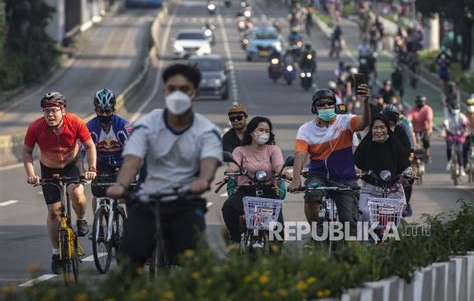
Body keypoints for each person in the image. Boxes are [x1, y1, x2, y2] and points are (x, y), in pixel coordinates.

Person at [106, 64, 222, 267]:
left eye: (184, 89)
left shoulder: (207, 130)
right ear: (164, 91)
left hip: (185, 201)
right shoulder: (146, 125)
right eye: (172, 88)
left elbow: (209, 163)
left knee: (196, 262)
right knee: (128, 258)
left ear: (195, 93)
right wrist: (121, 185)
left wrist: (203, 182)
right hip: (147, 200)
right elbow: (132, 161)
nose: (177, 94)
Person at [23, 92, 97, 274]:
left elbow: (89, 146)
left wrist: (92, 168)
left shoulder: (75, 122)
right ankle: (56, 253)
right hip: (49, 167)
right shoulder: (35, 127)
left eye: (54, 111)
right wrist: (31, 174)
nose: (50, 115)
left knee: (76, 194)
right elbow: (26, 153)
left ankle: (80, 219)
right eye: (46, 111)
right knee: (54, 212)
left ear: (63, 111)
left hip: (73, 163)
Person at [288, 86, 371, 237]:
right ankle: (316, 233)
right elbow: (300, 154)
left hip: (345, 178)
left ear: (334, 105)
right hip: (318, 176)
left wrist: (365, 102)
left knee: (349, 225)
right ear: (314, 108)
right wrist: (296, 179)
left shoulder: (346, 121)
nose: (326, 107)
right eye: (321, 104)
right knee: (312, 194)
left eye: (329, 103)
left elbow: (364, 123)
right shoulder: (305, 129)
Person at [222, 116, 285, 244]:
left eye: (267, 131)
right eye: (261, 130)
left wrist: (284, 174)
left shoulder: (274, 149)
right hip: (245, 191)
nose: (264, 134)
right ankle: (236, 240)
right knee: (228, 207)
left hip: (268, 192)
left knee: (277, 230)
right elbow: (233, 166)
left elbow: (279, 166)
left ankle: (276, 259)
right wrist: (231, 170)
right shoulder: (240, 150)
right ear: (251, 132)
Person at [354, 114, 411, 221]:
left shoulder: (395, 145)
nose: (379, 131)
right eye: (375, 128)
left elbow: (405, 164)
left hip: (393, 190)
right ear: (371, 130)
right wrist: (356, 171)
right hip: (369, 191)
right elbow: (356, 163)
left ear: (387, 129)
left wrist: (409, 173)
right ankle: (365, 237)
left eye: (382, 127)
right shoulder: (365, 146)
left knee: (397, 217)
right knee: (364, 213)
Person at [87, 89, 131, 174]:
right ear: (95, 111)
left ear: (113, 110)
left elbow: (132, 148)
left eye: (107, 111)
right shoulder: (90, 127)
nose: (104, 115)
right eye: (101, 111)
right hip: (102, 164)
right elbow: (81, 150)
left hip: (123, 162)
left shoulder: (123, 125)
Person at [442, 101, 470, 176]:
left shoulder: (462, 116)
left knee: (460, 151)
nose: (455, 110)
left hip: (460, 136)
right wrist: (443, 132)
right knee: (449, 148)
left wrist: (465, 132)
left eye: (456, 108)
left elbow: (465, 126)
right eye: (454, 108)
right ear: (451, 109)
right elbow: (445, 125)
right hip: (450, 135)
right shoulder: (448, 116)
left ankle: (461, 168)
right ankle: (449, 162)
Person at [407, 95, 433, 162]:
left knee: (426, 140)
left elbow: (429, 120)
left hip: (425, 129)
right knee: (413, 141)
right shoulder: (412, 110)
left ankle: (427, 153)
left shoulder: (428, 109)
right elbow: (408, 119)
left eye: (422, 102)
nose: (420, 104)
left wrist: (429, 130)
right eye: (419, 102)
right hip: (415, 129)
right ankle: (414, 154)